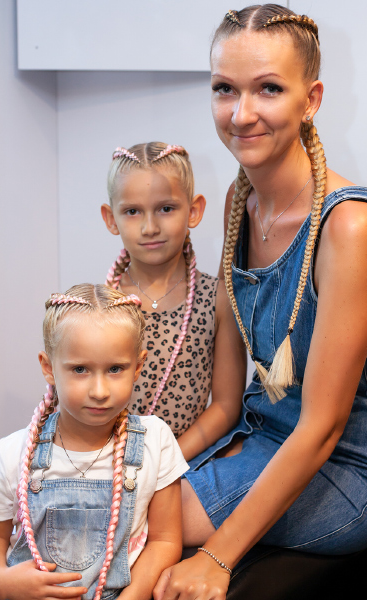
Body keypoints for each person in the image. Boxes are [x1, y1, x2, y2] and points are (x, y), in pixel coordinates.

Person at [154, 5, 367, 599]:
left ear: (310, 99)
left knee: (145, 528)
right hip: (260, 431)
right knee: (116, 504)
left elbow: (322, 427)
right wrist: (149, 459)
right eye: (224, 89)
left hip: (349, 466)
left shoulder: (349, 227)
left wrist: (215, 558)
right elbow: (228, 398)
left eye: (268, 88)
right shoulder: (237, 201)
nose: (241, 113)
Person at [0, 285, 188, 600]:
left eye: (115, 369)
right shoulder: (13, 452)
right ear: (49, 368)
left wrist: (134, 595)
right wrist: (1, 583)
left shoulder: (156, 441)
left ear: (138, 367)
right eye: (80, 369)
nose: (99, 391)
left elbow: (165, 540)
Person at [102, 142, 246, 462]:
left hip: (185, 462)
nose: (150, 227)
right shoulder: (100, 307)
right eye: (132, 211)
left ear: (193, 211)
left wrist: (164, 463)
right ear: (111, 219)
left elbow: (226, 406)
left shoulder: (218, 299)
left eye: (166, 209)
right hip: (112, 465)